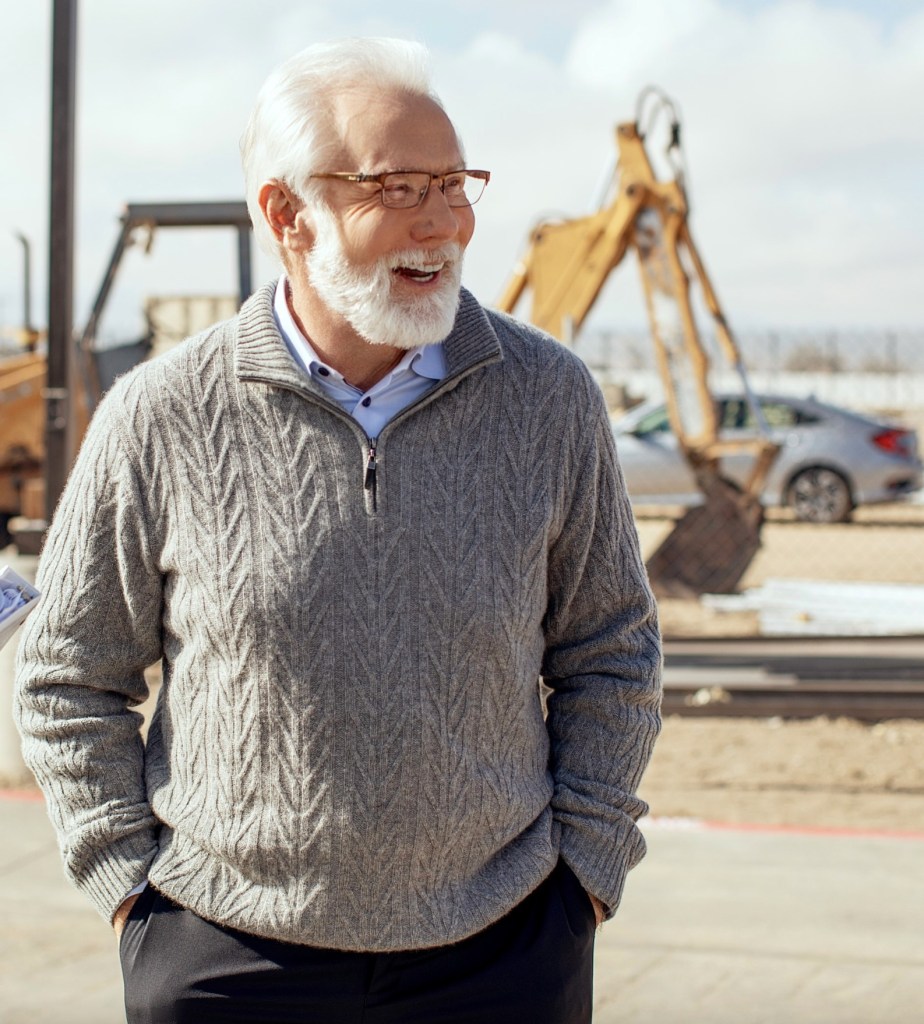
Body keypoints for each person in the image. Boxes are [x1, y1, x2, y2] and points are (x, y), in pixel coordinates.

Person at [15, 37, 662, 1024]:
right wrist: (130, 895)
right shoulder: (159, 413)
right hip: (224, 956)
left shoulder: (549, 400)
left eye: (455, 184)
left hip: (505, 951)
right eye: (401, 188)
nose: (445, 223)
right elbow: (67, 672)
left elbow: (613, 650)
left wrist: (588, 873)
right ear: (286, 214)